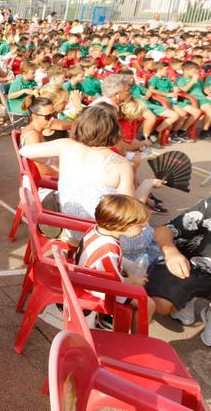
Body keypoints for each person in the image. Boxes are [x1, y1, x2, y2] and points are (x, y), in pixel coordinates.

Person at [19, 105, 163, 241]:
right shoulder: (121, 164)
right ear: (113, 131)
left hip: (68, 223)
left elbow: (24, 150)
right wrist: (148, 183)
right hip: (100, 232)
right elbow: (127, 212)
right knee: (150, 233)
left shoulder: (66, 145)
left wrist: (54, 163)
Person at [76, 194, 155, 332]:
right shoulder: (109, 249)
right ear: (122, 225)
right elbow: (116, 284)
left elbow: (112, 262)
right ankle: (139, 341)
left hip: (86, 277)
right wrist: (134, 281)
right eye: (140, 226)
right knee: (148, 304)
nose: (143, 229)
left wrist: (128, 266)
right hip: (97, 290)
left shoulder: (97, 231)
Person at [149, 195, 211, 346]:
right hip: (191, 267)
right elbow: (163, 231)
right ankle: (188, 298)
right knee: (161, 304)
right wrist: (171, 252)